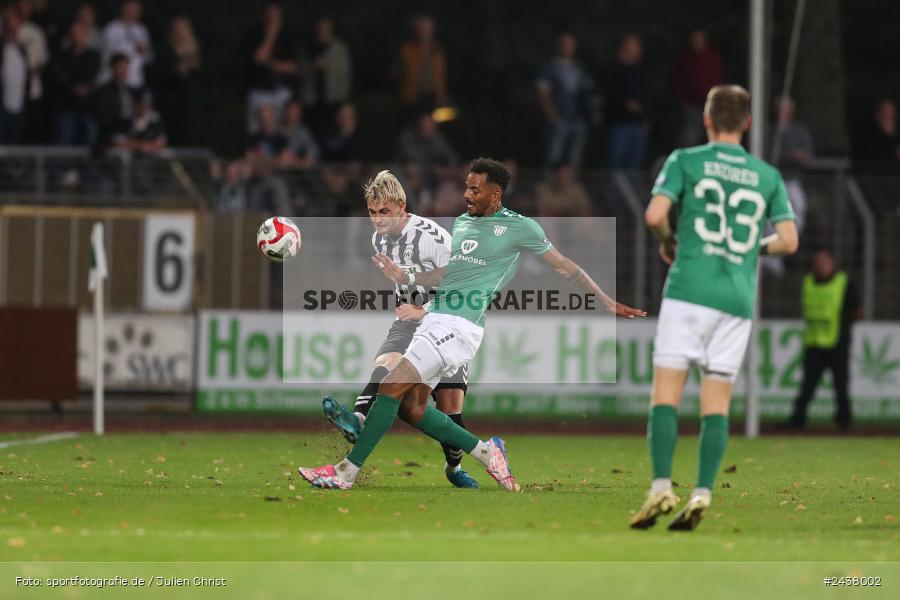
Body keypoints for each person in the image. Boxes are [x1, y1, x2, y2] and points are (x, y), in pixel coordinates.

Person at [298, 158, 646, 491]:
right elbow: (450, 273)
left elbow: (565, 266)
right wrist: (408, 275)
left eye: (475, 189)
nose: (467, 194)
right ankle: (486, 452)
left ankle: (345, 473)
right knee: (412, 408)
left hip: (459, 324)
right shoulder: (463, 223)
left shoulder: (521, 227)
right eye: (466, 187)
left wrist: (606, 300)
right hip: (436, 319)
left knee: (391, 385)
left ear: (495, 194)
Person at [631, 85, 799, 531]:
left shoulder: (685, 160)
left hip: (689, 289)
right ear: (746, 123)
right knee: (717, 401)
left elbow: (653, 216)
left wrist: (669, 241)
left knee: (666, 393)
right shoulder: (767, 175)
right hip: (737, 300)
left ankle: (662, 486)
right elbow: (790, 240)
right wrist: (752, 251)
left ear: (707, 120)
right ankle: (703, 491)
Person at [320, 169, 481, 488]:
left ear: (401, 206)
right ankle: (357, 420)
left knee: (449, 410)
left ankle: (454, 468)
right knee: (386, 366)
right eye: (372, 212)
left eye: (385, 211)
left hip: (445, 320)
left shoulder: (431, 236)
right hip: (408, 323)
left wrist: (423, 307)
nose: (378, 219)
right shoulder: (378, 237)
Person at [789, 250, 860, 431]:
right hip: (814, 343)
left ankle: (844, 422)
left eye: (825, 262)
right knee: (807, 386)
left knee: (840, 385)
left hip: (838, 343)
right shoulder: (808, 282)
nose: (821, 266)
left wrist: (844, 326)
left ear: (832, 264)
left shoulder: (843, 282)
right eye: (818, 263)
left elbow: (857, 310)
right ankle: (797, 421)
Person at [536, 31, 592, 171]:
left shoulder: (578, 67)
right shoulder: (550, 66)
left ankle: (570, 189)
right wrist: (553, 117)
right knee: (553, 157)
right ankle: (547, 189)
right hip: (558, 119)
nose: (567, 47)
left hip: (577, 120)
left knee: (574, 159)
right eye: (564, 43)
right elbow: (543, 94)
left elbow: (587, 93)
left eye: (570, 44)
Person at [243, 2, 298, 133]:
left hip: (282, 91)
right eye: (270, 15)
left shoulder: (287, 36)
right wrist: (271, 36)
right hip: (260, 92)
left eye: (276, 16)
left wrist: (273, 65)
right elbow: (259, 58)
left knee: (283, 130)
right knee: (259, 131)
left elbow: (294, 66)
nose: (273, 19)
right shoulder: (254, 34)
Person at [299, 16, 352, 137]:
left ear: (330, 25)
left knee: (334, 130)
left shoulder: (339, 48)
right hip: (312, 98)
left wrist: (344, 98)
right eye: (320, 25)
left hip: (333, 97)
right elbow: (299, 71)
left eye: (325, 24)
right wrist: (312, 67)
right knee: (312, 131)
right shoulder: (307, 47)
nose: (322, 28)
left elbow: (345, 74)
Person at [603, 33, 650, 170]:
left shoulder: (640, 72)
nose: (638, 51)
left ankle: (629, 192)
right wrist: (625, 104)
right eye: (634, 48)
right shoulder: (612, 70)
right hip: (618, 123)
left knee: (634, 167)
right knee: (614, 164)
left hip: (638, 124)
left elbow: (646, 96)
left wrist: (646, 116)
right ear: (624, 48)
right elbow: (608, 94)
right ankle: (611, 192)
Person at [671, 29, 724, 148]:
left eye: (700, 39)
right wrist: (683, 102)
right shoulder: (684, 58)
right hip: (692, 105)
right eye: (695, 39)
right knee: (690, 136)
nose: (698, 42)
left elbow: (718, 78)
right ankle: (684, 162)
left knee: (712, 136)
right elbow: (677, 81)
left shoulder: (713, 57)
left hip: (712, 105)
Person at [154, 15, 202, 146]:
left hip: (192, 105)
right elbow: (159, 76)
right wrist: (176, 70)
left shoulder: (197, 51)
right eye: (177, 29)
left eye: (182, 29)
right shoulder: (165, 51)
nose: (180, 32)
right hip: (172, 104)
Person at [51, 19, 100, 145]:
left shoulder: (93, 56)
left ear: (85, 34)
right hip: (66, 105)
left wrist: (84, 85)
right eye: (74, 34)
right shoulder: (62, 56)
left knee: (89, 139)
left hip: (87, 107)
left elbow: (91, 76)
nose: (76, 37)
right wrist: (74, 85)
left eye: (79, 33)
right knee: (64, 141)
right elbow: (60, 78)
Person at [396, 14, 447, 118]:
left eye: (429, 28)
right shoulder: (407, 50)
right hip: (411, 98)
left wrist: (440, 95)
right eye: (423, 28)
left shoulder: (438, 51)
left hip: (431, 98)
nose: (426, 32)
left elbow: (441, 76)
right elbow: (398, 73)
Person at [100, 0, 152, 88]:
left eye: (136, 9)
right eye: (129, 8)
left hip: (135, 81)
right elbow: (105, 55)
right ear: (123, 9)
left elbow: (148, 57)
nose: (132, 11)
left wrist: (145, 50)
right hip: (111, 80)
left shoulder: (142, 30)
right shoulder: (111, 29)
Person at [94, 53, 136, 147]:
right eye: (120, 67)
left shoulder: (133, 91)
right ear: (113, 68)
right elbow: (103, 116)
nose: (124, 71)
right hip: (114, 130)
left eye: (126, 67)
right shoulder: (104, 91)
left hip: (133, 129)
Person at [0, 7, 29, 144]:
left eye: (16, 26)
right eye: (10, 26)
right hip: (2, 106)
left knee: (13, 146)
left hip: (18, 107)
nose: (13, 30)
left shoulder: (21, 49)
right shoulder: (2, 47)